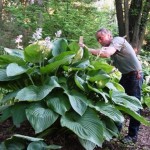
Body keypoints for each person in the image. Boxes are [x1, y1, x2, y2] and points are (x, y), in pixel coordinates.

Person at [80, 28, 143, 144]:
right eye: (98, 39)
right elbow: (111, 65)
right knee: (116, 102)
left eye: (101, 38)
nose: (99, 41)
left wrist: (87, 49)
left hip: (135, 76)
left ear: (109, 35)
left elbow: (106, 53)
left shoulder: (118, 40)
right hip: (126, 76)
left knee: (134, 105)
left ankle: (133, 136)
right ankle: (115, 132)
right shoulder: (112, 47)